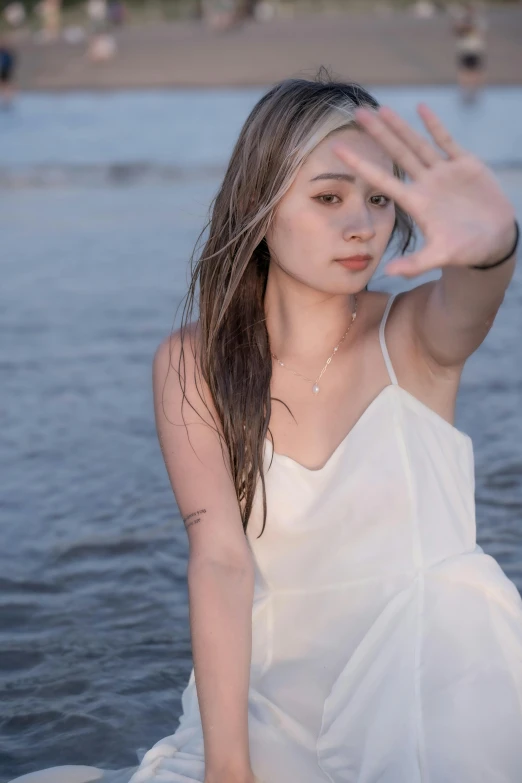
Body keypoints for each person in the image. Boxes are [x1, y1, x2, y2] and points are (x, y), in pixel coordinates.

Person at [9, 72, 522, 783]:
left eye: (380, 198)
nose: (362, 225)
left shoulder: (413, 337)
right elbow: (219, 560)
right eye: (328, 196)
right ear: (258, 203)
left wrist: (494, 243)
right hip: (270, 695)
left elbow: (475, 294)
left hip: (431, 685)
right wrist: (229, 765)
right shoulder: (193, 363)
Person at [452, 2, 488, 103]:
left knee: (476, 71)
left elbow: (480, 32)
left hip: (475, 49)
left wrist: (468, 26)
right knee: (464, 71)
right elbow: (457, 30)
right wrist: (462, 25)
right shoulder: (461, 20)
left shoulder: (478, 20)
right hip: (464, 49)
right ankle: (463, 90)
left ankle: (478, 90)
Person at [0, 33, 17, 108]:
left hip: (6, 70)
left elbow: (11, 61)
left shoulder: (7, 53)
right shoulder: (2, 52)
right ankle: (5, 99)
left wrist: (10, 68)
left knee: (7, 85)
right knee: (3, 85)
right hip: (2, 70)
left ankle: (7, 100)